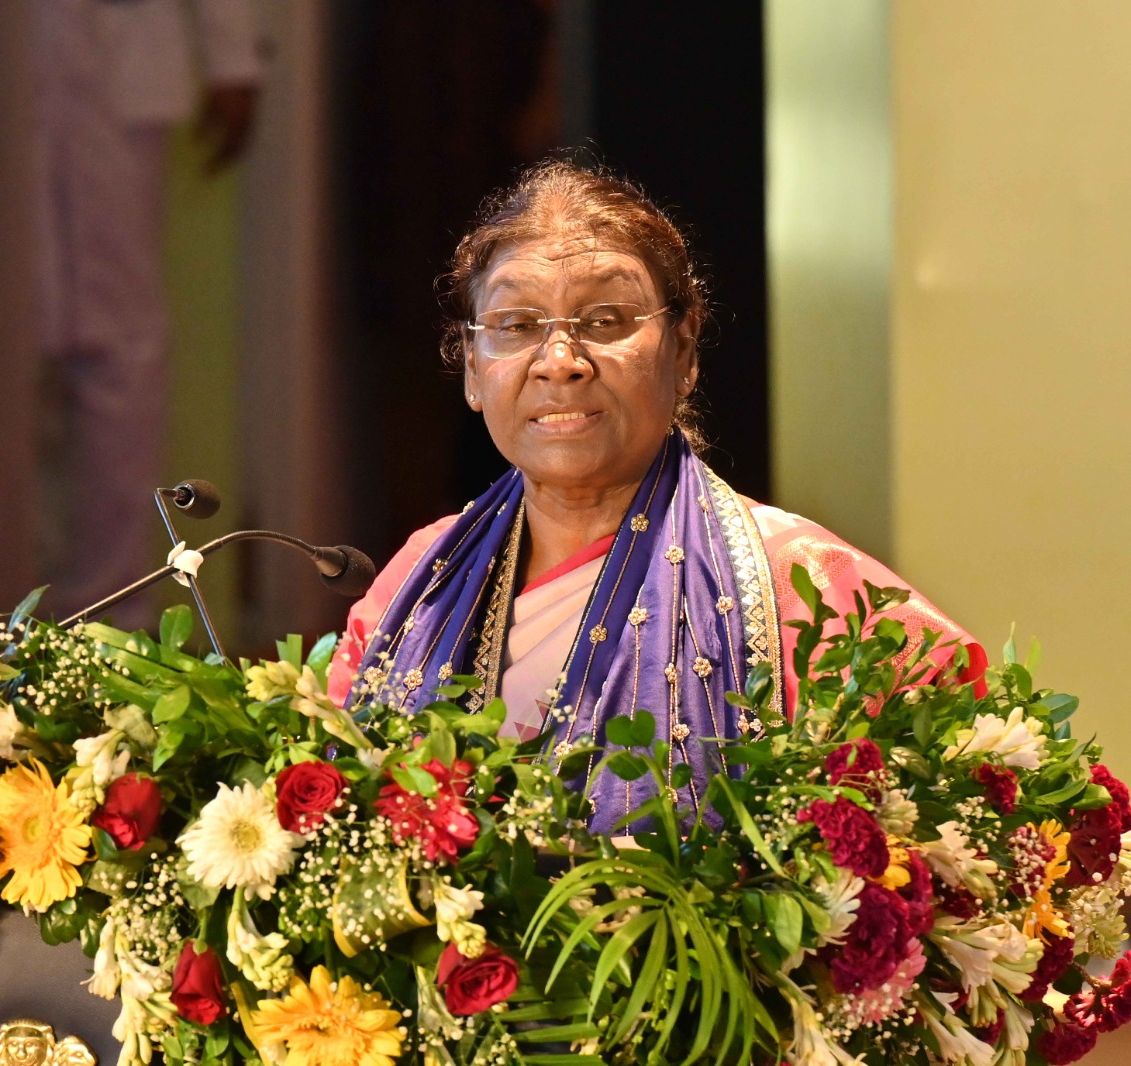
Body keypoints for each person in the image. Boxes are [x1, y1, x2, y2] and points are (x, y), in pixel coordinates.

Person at [327, 161, 985, 833]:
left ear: (686, 350)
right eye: (518, 325)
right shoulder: (420, 581)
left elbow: (966, 824)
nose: (560, 360)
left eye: (605, 319)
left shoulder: (806, 583)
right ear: (472, 368)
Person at [30, 0, 263, 625]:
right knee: (7, 348)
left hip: (117, 59)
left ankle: (111, 620)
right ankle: (7, 616)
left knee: (120, 348)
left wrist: (232, 55)